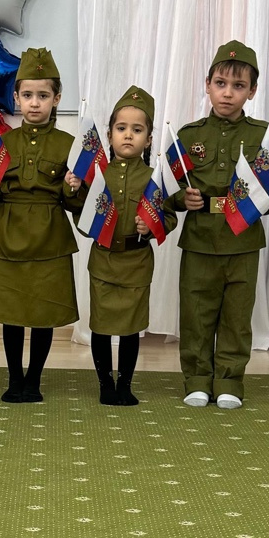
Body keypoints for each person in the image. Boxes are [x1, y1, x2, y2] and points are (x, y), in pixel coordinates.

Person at [0, 47, 78, 404]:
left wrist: (73, 187)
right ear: (15, 98)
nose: (35, 103)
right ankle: (14, 377)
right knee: (12, 313)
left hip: (50, 238)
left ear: (56, 99)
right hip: (7, 236)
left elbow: (75, 204)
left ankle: (34, 379)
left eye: (43, 95)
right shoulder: (2, 143)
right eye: (28, 95)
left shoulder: (69, 145)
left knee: (43, 313)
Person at [177, 41, 269, 410]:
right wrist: (182, 200)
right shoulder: (189, 136)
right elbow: (167, 190)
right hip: (200, 237)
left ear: (252, 91)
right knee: (196, 312)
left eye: (238, 86)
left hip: (242, 239)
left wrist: (262, 199)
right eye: (220, 83)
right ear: (207, 85)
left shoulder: (263, 136)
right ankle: (197, 379)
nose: (228, 93)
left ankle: (230, 380)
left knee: (237, 315)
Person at [83, 85, 174, 406]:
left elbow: (169, 216)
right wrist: (74, 188)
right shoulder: (97, 176)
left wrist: (151, 228)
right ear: (109, 135)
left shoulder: (153, 178)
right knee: (101, 326)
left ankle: (125, 384)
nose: (128, 135)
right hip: (104, 260)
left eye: (137, 130)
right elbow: (83, 214)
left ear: (148, 139)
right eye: (121, 128)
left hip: (136, 261)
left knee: (131, 328)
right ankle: (105, 384)